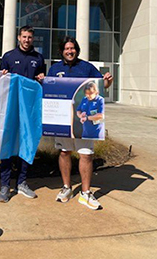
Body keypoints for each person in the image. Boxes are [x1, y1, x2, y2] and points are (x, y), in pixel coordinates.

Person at [47, 36, 113, 210]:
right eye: (67, 49)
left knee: (86, 154)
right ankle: (67, 188)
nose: (70, 51)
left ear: (77, 50)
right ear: (61, 51)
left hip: (84, 122)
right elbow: (48, 90)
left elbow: (101, 85)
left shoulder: (86, 67)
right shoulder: (55, 68)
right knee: (64, 152)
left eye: (73, 48)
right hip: (63, 120)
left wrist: (107, 81)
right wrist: (42, 80)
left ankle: (85, 193)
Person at [0, 26, 45, 203]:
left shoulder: (38, 58)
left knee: (27, 143)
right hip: (10, 108)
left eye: (30, 37)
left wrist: (42, 78)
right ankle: (4, 185)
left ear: (33, 39)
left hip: (29, 110)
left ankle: (22, 182)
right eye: (24, 37)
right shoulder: (9, 57)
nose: (27, 40)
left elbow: (42, 82)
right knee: (8, 145)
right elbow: (0, 83)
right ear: (18, 38)